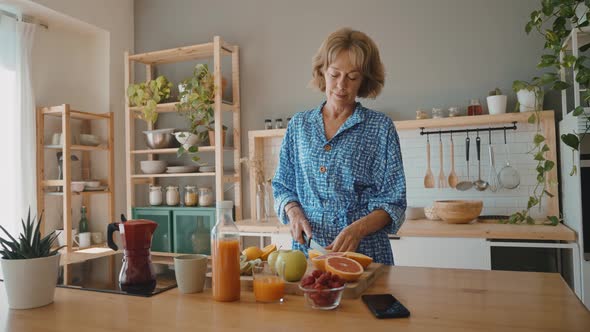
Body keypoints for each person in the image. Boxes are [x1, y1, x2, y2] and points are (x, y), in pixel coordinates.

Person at [272, 28, 406, 265]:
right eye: (335, 74)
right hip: (308, 255)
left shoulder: (380, 128)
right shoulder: (299, 125)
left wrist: (358, 229)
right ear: (322, 71)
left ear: (364, 80)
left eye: (352, 77)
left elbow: (393, 201)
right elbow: (282, 185)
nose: (341, 85)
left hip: (365, 255)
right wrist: (293, 212)